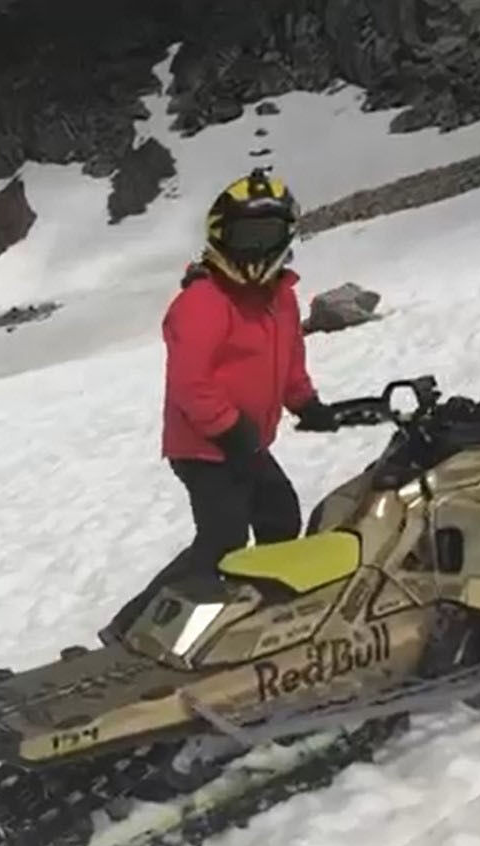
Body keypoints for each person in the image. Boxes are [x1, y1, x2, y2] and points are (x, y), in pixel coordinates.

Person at [102, 168, 340, 644]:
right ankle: (131, 631)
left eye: (266, 236)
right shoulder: (202, 301)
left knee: (280, 516)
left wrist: (306, 403)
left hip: (244, 441)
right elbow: (191, 384)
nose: (255, 249)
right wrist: (228, 428)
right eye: (245, 236)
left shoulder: (282, 299)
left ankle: (260, 610)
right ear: (220, 236)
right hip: (203, 445)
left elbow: (289, 360)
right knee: (222, 538)